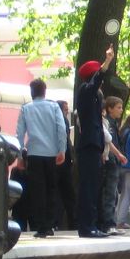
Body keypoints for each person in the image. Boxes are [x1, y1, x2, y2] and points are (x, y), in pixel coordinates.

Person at [16, 78, 68, 239]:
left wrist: (19, 155)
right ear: (44, 91)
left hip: (34, 153)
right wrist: (62, 150)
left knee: (37, 191)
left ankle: (40, 226)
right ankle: (50, 224)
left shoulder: (26, 109)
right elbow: (61, 128)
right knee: (52, 189)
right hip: (52, 154)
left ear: (31, 92)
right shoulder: (53, 107)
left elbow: (19, 133)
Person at [74, 46, 114, 238]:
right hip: (89, 146)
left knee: (94, 187)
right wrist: (106, 62)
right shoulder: (86, 91)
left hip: (94, 147)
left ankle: (93, 224)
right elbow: (95, 81)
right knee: (88, 188)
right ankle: (86, 226)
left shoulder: (94, 97)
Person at [99, 96, 128, 234]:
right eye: (118, 107)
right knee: (110, 193)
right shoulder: (108, 123)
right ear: (109, 108)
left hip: (114, 160)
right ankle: (108, 223)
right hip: (111, 161)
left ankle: (111, 223)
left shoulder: (113, 123)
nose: (121, 110)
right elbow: (109, 143)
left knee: (113, 193)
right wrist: (119, 155)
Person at [55, 99, 77, 231]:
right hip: (64, 160)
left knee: (60, 192)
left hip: (60, 159)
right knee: (67, 192)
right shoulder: (62, 120)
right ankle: (71, 221)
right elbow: (66, 140)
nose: (67, 110)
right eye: (65, 108)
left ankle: (58, 221)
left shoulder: (57, 120)